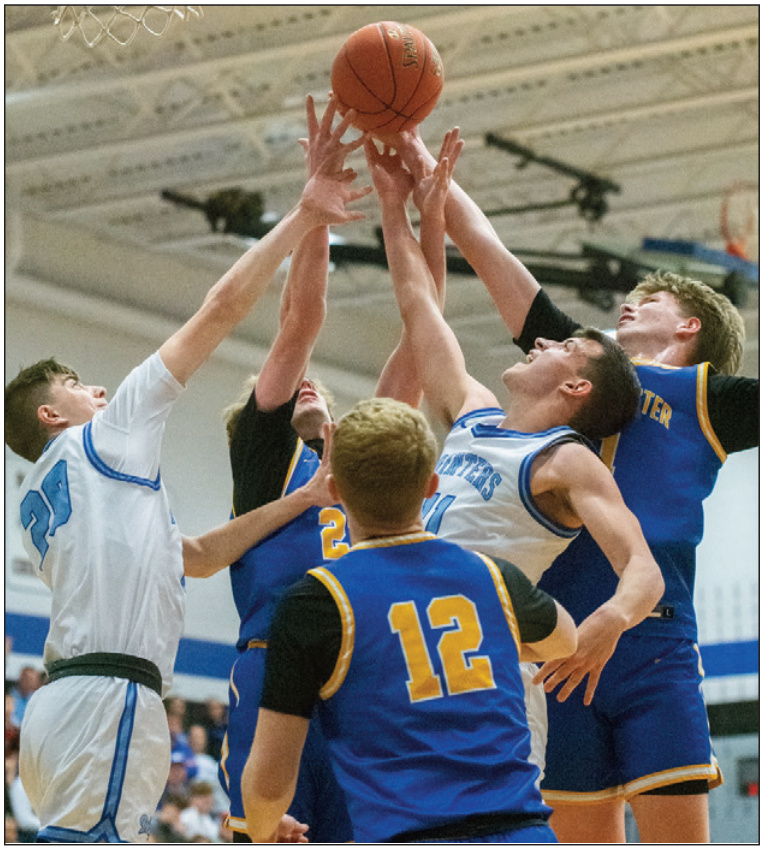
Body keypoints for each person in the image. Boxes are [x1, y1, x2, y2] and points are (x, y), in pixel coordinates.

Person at [4, 97, 371, 844]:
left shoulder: (61, 495)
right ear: (51, 414)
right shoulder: (106, 437)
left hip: (79, 702)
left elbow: (197, 557)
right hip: (106, 697)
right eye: (78, 383)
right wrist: (304, 216)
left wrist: (303, 498)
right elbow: (220, 308)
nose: (98, 390)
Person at [391, 128, 759, 842]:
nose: (626, 302)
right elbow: (486, 248)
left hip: (648, 637)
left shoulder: (707, 395)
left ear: (688, 325)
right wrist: (410, 148)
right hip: (555, 641)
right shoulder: (574, 360)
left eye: (646, 299)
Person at [365, 135, 664, 780]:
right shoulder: (471, 413)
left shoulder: (567, 460)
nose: (544, 338)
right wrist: (398, 207)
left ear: (576, 387)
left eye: (564, 346)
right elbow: (420, 310)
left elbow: (643, 569)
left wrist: (609, 621)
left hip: (489, 680)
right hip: (402, 667)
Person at [217, 94, 438, 843]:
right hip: (274, 665)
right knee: (271, 832)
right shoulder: (264, 457)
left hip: (363, 674)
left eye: (320, 385)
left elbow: (423, 333)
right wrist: (315, 209)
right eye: (278, 387)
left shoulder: (366, 461)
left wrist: (406, 210)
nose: (304, 380)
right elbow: (298, 325)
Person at [242, 397, 579, 843]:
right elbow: (565, 640)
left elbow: (270, 780)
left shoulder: (316, 601)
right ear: (431, 486)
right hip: (523, 832)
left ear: (336, 489)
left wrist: (265, 830)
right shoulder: (491, 575)